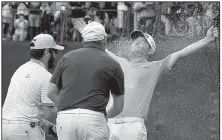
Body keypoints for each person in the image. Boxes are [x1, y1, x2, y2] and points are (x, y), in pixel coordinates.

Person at [74, 18, 218, 140]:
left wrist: (207, 39)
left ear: (150, 50)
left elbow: (180, 54)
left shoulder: (156, 66)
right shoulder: (119, 62)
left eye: (142, 41)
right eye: (135, 40)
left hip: (133, 127)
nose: (136, 42)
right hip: (109, 124)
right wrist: (86, 32)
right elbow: (99, 48)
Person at [47, 21, 125, 140]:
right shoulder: (113, 64)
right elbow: (118, 106)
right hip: (94, 118)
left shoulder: (66, 58)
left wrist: (66, 107)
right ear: (104, 40)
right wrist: (103, 117)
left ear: (84, 40)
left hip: (66, 118)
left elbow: (51, 92)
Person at [2, 34, 64, 140]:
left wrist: (43, 122)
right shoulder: (46, 76)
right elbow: (49, 112)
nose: (56, 56)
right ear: (47, 51)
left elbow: (24, 107)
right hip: (25, 130)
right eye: (55, 51)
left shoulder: (20, 70)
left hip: (4, 128)